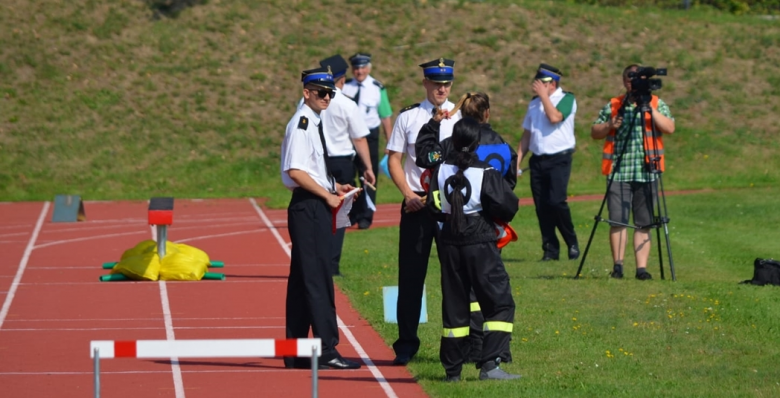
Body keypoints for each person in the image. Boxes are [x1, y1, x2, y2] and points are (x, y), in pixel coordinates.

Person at [415, 91, 517, 364]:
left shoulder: (451, 146)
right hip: (488, 226)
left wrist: (433, 124)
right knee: (492, 293)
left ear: (460, 118)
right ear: (487, 114)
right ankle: (496, 353)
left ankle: (466, 354)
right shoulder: (505, 147)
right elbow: (508, 187)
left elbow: (425, 157)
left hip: (455, 228)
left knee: (462, 296)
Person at [280, 66, 361, 370]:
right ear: (307, 93)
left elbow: (310, 168)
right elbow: (295, 170)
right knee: (317, 280)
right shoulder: (302, 124)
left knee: (303, 280)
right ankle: (326, 350)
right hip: (309, 207)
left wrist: (335, 187)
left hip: (312, 203)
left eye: (331, 93)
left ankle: (296, 351)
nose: (327, 97)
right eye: (322, 92)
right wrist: (327, 196)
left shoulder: (312, 121)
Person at [385, 57, 462, 366]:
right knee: (410, 276)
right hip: (417, 203)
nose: (441, 88)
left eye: (446, 83)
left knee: (454, 277)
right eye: (436, 83)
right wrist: (407, 194)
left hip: (449, 206)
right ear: (425, 84)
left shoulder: (459, 118)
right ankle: (405, 344)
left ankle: (456, 344)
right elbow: (393, 159)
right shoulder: (409, 116)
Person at [590, 64, 675, 280]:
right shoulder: (614, 104)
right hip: (619, 171)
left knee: (644, 222)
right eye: (629, 79)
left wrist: (649, 109)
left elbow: (670, 127)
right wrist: (610, 124)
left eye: (637, 79)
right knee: (617, 221)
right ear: (624, 81)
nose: (633, 83)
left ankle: (641, 269)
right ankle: (617, 266)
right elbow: (595, 131)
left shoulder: (656, 103)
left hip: (648, 171)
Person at [317, 54, 376, 276]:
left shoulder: (309, 101)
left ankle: (316, 262)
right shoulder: (347, 104)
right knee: (339, 215)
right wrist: (368, 167)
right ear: (342, 79)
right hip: (341, 162)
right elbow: (359, 138)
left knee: (318, 213)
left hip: (317, 162)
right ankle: (332, 265)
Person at [517, 63, 579, 262]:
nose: (537, 87)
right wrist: (517, 161)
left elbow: (555, 117)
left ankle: (572, 242)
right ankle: (550, 249)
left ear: (552, 84)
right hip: (538, 160)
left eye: (541, 83)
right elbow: (527, 135)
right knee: (542, 206)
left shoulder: (566, 99)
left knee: (556, 201)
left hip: (559, 159)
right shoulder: (534, 104)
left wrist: (544, 97)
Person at [341, 53, 394, 229]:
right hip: (348, 136)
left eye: (363, 67)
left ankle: (366, 215)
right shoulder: (345, 87)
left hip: (369, 136)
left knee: (368, 177)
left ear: (368, 68)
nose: (359, 71)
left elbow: (385, 116)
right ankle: (354, 212)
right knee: (349, 175)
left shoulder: (377, 88)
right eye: (356, 68)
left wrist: (390, 142)